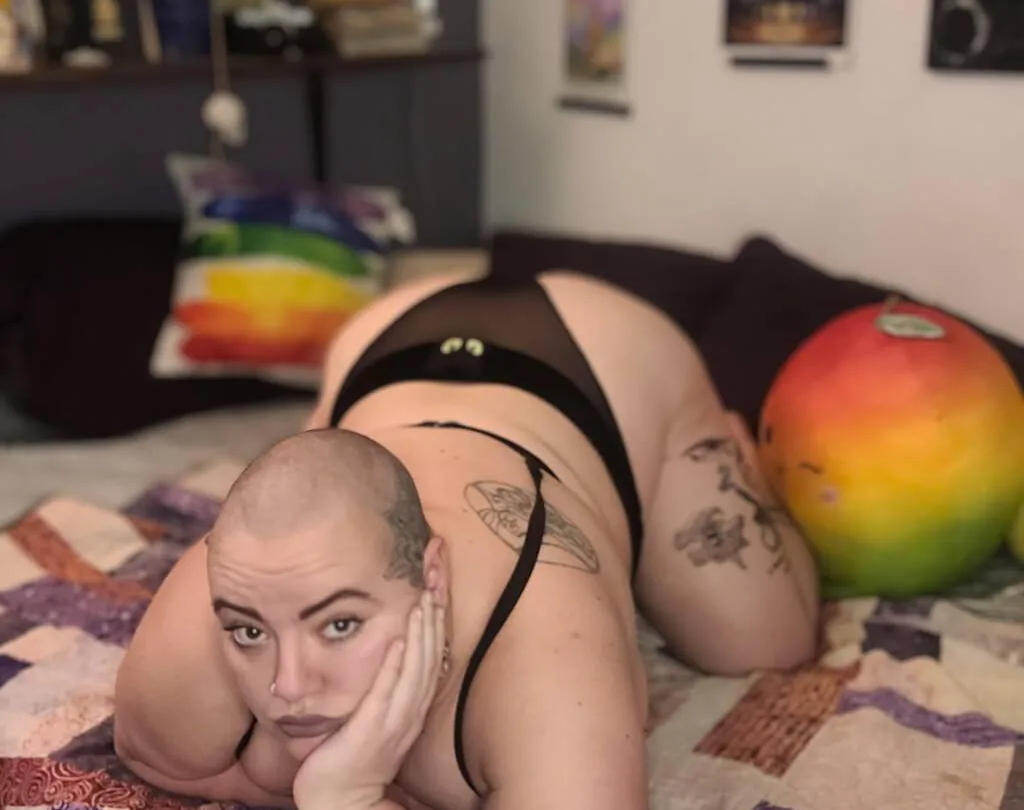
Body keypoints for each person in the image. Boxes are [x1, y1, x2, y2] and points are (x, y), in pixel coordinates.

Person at [114, 266, 820, 810]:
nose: (288, 687)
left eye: (339, 623)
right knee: (309, 476)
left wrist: (347, 798)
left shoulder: (542, 659)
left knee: (764, 641)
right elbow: (157, 759)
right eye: (248, 633)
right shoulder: (214, 615)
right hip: (382, 346)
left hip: (608, 362)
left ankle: (728, 442)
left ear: (433, 576)